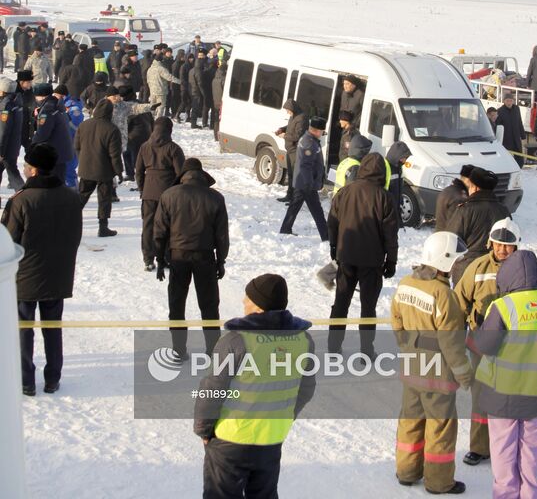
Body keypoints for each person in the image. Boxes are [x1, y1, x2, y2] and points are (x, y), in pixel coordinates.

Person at [193, 274, 316, 499]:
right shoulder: (303, 340)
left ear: (259, 306)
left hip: (230, 439)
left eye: (248, 297)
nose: (243, 301)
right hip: (271, 439)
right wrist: (284, 417)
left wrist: (204, 428)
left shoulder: (236, 341)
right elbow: (306, 389)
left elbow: (212, 389)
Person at [473, 250, 537, 499]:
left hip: (503, 396)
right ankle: (529, 494)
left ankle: (505, 494)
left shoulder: (503, 306)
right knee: (531, 450)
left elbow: (485, 346)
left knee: (504, 449)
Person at [391, 230, 473, 494]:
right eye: (456, 260)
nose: (458, 264)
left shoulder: (404, 283)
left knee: (410, 419)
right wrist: (464, 375)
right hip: (437, 372)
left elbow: (396, 323)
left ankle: (407, 471)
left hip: (412, 365)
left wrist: (408, 347)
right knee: (440, 426)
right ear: (445, 261)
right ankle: (438, 482)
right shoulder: (443, 295)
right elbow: (451, 343)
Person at [1, 142, 82, 396]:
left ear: (34, 170)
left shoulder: (21, 200)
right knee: (53, 327)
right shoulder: (71, 197)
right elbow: (75, 235)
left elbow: (8, 241)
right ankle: (52, 378)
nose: (24, 169)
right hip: (58, 275)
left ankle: (26, 380)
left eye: (27, 165)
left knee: (24, 329)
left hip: (25, 276)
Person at [454, 218, 522, 467]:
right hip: (481, 343)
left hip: (513, 346)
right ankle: (480, 447)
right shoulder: (478, 267)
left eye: (508, 245)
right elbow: (459, 300)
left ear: (516, 246)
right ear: (490, 243)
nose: (502, 250)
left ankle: (508, 446)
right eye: (498, 244)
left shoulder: (524, 269)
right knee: (481, 396)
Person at [153, 157, 229, 358]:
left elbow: (159, 231)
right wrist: (221, 260)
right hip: (205, 257)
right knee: (209, 305)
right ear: (202, 175)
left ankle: (178, 350)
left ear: (183, 176)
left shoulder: (169, 195)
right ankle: (213, 350)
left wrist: (159, 259)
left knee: (176, 305)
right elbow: (222, 235)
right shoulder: (215, 198)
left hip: (177, 257)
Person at [327, 151, 398, 357]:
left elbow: (333, 221)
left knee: (340, 303)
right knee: (368, 308)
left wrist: (334, 246)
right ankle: (367, 351)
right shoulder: (385, 198)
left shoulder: (346, 192)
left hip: (346, 257)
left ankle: (333, 347)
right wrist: (391, 260)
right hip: (372, 261)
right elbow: (390, 234)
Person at [135, 117, 185, 270]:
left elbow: (138, 171)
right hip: (168, 193)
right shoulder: (174, 149)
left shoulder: (144, 147)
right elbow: (180, 174)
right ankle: (166, 257)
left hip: (149, 192)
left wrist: (143, 188)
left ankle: (148, 259)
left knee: (148, 225)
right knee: (168, 226)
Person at [449, 167, 507, 286]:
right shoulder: (503, 211)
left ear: (475, 187)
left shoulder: (464, 210)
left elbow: (451, 240)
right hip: (495, 270)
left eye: (469, 187)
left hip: (466, 269)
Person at [75, 99, 123, 238]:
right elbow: (115, 155)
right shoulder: (112, 129)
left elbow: (76, 146)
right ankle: (103, 227)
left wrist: (82, 160)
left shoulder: (84, 125)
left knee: (82, 196)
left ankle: (70, 221)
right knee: (104, 199)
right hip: (104, 170)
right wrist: (119, 172)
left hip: (86, 168)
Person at [279, 117, 328, 240]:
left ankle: (285, 228)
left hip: (303, 182)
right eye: (322, 131)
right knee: (317, 211)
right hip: (307, 183)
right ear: (316, 130)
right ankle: (326, 236)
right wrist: (309, 183)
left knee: (295, 206)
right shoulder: (309, 143)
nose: (322, 134)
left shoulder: (310, 140)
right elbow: (306, 165)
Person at [31, 83, 75, 186]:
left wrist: (32, 145)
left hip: (53, 153)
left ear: (41, 96)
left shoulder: (47, 110)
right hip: (62, 151)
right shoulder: (57, 105)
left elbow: (42, 133)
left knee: (53, 183)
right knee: (59, 181)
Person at [275, 98, 308, 204]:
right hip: (290, 149)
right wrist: (282, 129)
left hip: (296, 150)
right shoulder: (293, 116)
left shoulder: (302, 118)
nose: (287, 112)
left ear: (293, 108)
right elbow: (290, 127)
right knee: (290, 174)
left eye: (288, 110)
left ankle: (295, 198)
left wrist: (285, 135)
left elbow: (298, 135)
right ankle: (289, 195)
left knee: (295, 175)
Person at [53, 83, 84, 188]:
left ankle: (74, 191)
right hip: (62, 142)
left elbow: (75, 125)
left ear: (62, 96)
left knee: (69, 168)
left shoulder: (73, 108)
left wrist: (64, 118)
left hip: (72, 141)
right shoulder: (60, 105)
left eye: (56, 95)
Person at [0, 76, 24, 191]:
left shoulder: (6, 106)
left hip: (6, 148)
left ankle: (24, 196)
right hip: (13, 145)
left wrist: (1, 151)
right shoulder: (16, 102)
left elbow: (3, 131)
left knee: (13, 174)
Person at [146, 52, 179, 117]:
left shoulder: (150, 69)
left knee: (153, 106)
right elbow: (169, 77)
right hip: (161, 91)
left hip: (152, 91)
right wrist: (180, 82)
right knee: (161, 107)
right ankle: (158, 121)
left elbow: (148, 80)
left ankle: (150, 119)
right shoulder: (161, 69)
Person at [495, 93, 526, 162]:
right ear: (504, 101)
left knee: (519, 158)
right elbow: (497, 126)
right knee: (506, 158)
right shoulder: (500, 111)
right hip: (506, 138)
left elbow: (519, 122)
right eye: (507, 101)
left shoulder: (516, 109)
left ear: (513, 101)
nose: (509, 103)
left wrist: (523, 136)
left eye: (511, 101)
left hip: (516, 137)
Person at [386, 139, 411, 217]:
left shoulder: (398, 167)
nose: (405, 160)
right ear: (396, 156)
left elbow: (398, 188)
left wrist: (400, 203)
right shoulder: (386, 167)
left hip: (395, 206)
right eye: (404, 157)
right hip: (388, 207)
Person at [16, 70, 35, 152]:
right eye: (29, 82)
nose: (31, 84)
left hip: (27, 128)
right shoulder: (13, 92)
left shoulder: (30, 92)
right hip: (15, 130)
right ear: (22, 82)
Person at [177, 52, 195, 122]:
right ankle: (177, 115)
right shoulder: (183, 66)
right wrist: (187, 85)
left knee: (189, 103)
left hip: (190, 87)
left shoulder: (192, 65)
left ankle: (188, 116)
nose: (191, 59)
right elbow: (182, 78)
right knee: (183, 102)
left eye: (192, 58)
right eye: (190, 58)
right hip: (184, 87)